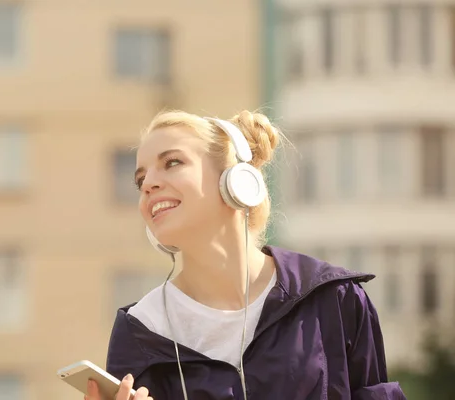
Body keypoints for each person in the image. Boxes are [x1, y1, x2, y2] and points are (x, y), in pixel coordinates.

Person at [85, 110, 406, 400]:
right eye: (140, 179)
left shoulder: (334, 299)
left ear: (235, 181)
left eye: (172, 163)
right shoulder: (141, 329)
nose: (149, 184)